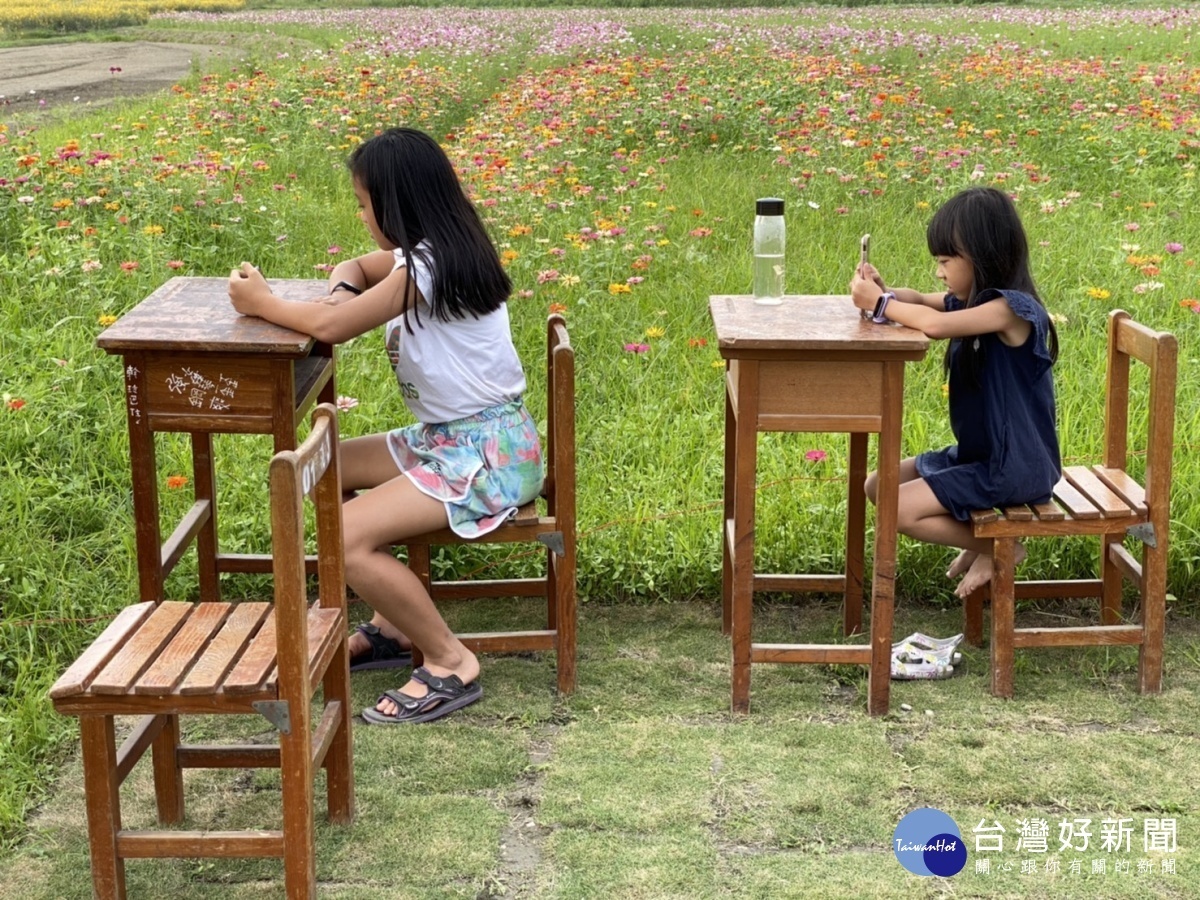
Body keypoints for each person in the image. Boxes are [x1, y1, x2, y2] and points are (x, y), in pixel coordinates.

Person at [228, 127, 543, 724]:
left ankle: (451, 661)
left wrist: (262, 302)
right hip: (456, 439)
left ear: (394, 205)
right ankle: (392, 627)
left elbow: (334, 329)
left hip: (487, 454)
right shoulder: (434, 248)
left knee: (342, 535)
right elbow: (353, 272)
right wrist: (341, 292)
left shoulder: (429, 266)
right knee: (329, 468)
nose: (361, 215)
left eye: (364, 203)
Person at [848, 186, 1060, 599]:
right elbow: (922, 302)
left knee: (897, 509)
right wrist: (883, 291)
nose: (940, 271)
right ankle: (983, 543)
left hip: (1013, 466)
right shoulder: (972, 302)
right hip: (982, 456)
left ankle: (998, 546)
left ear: (982, 255)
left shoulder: (1012, 311)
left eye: (946, 261)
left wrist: (880, 305)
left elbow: (935, 324)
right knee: (877, 486)